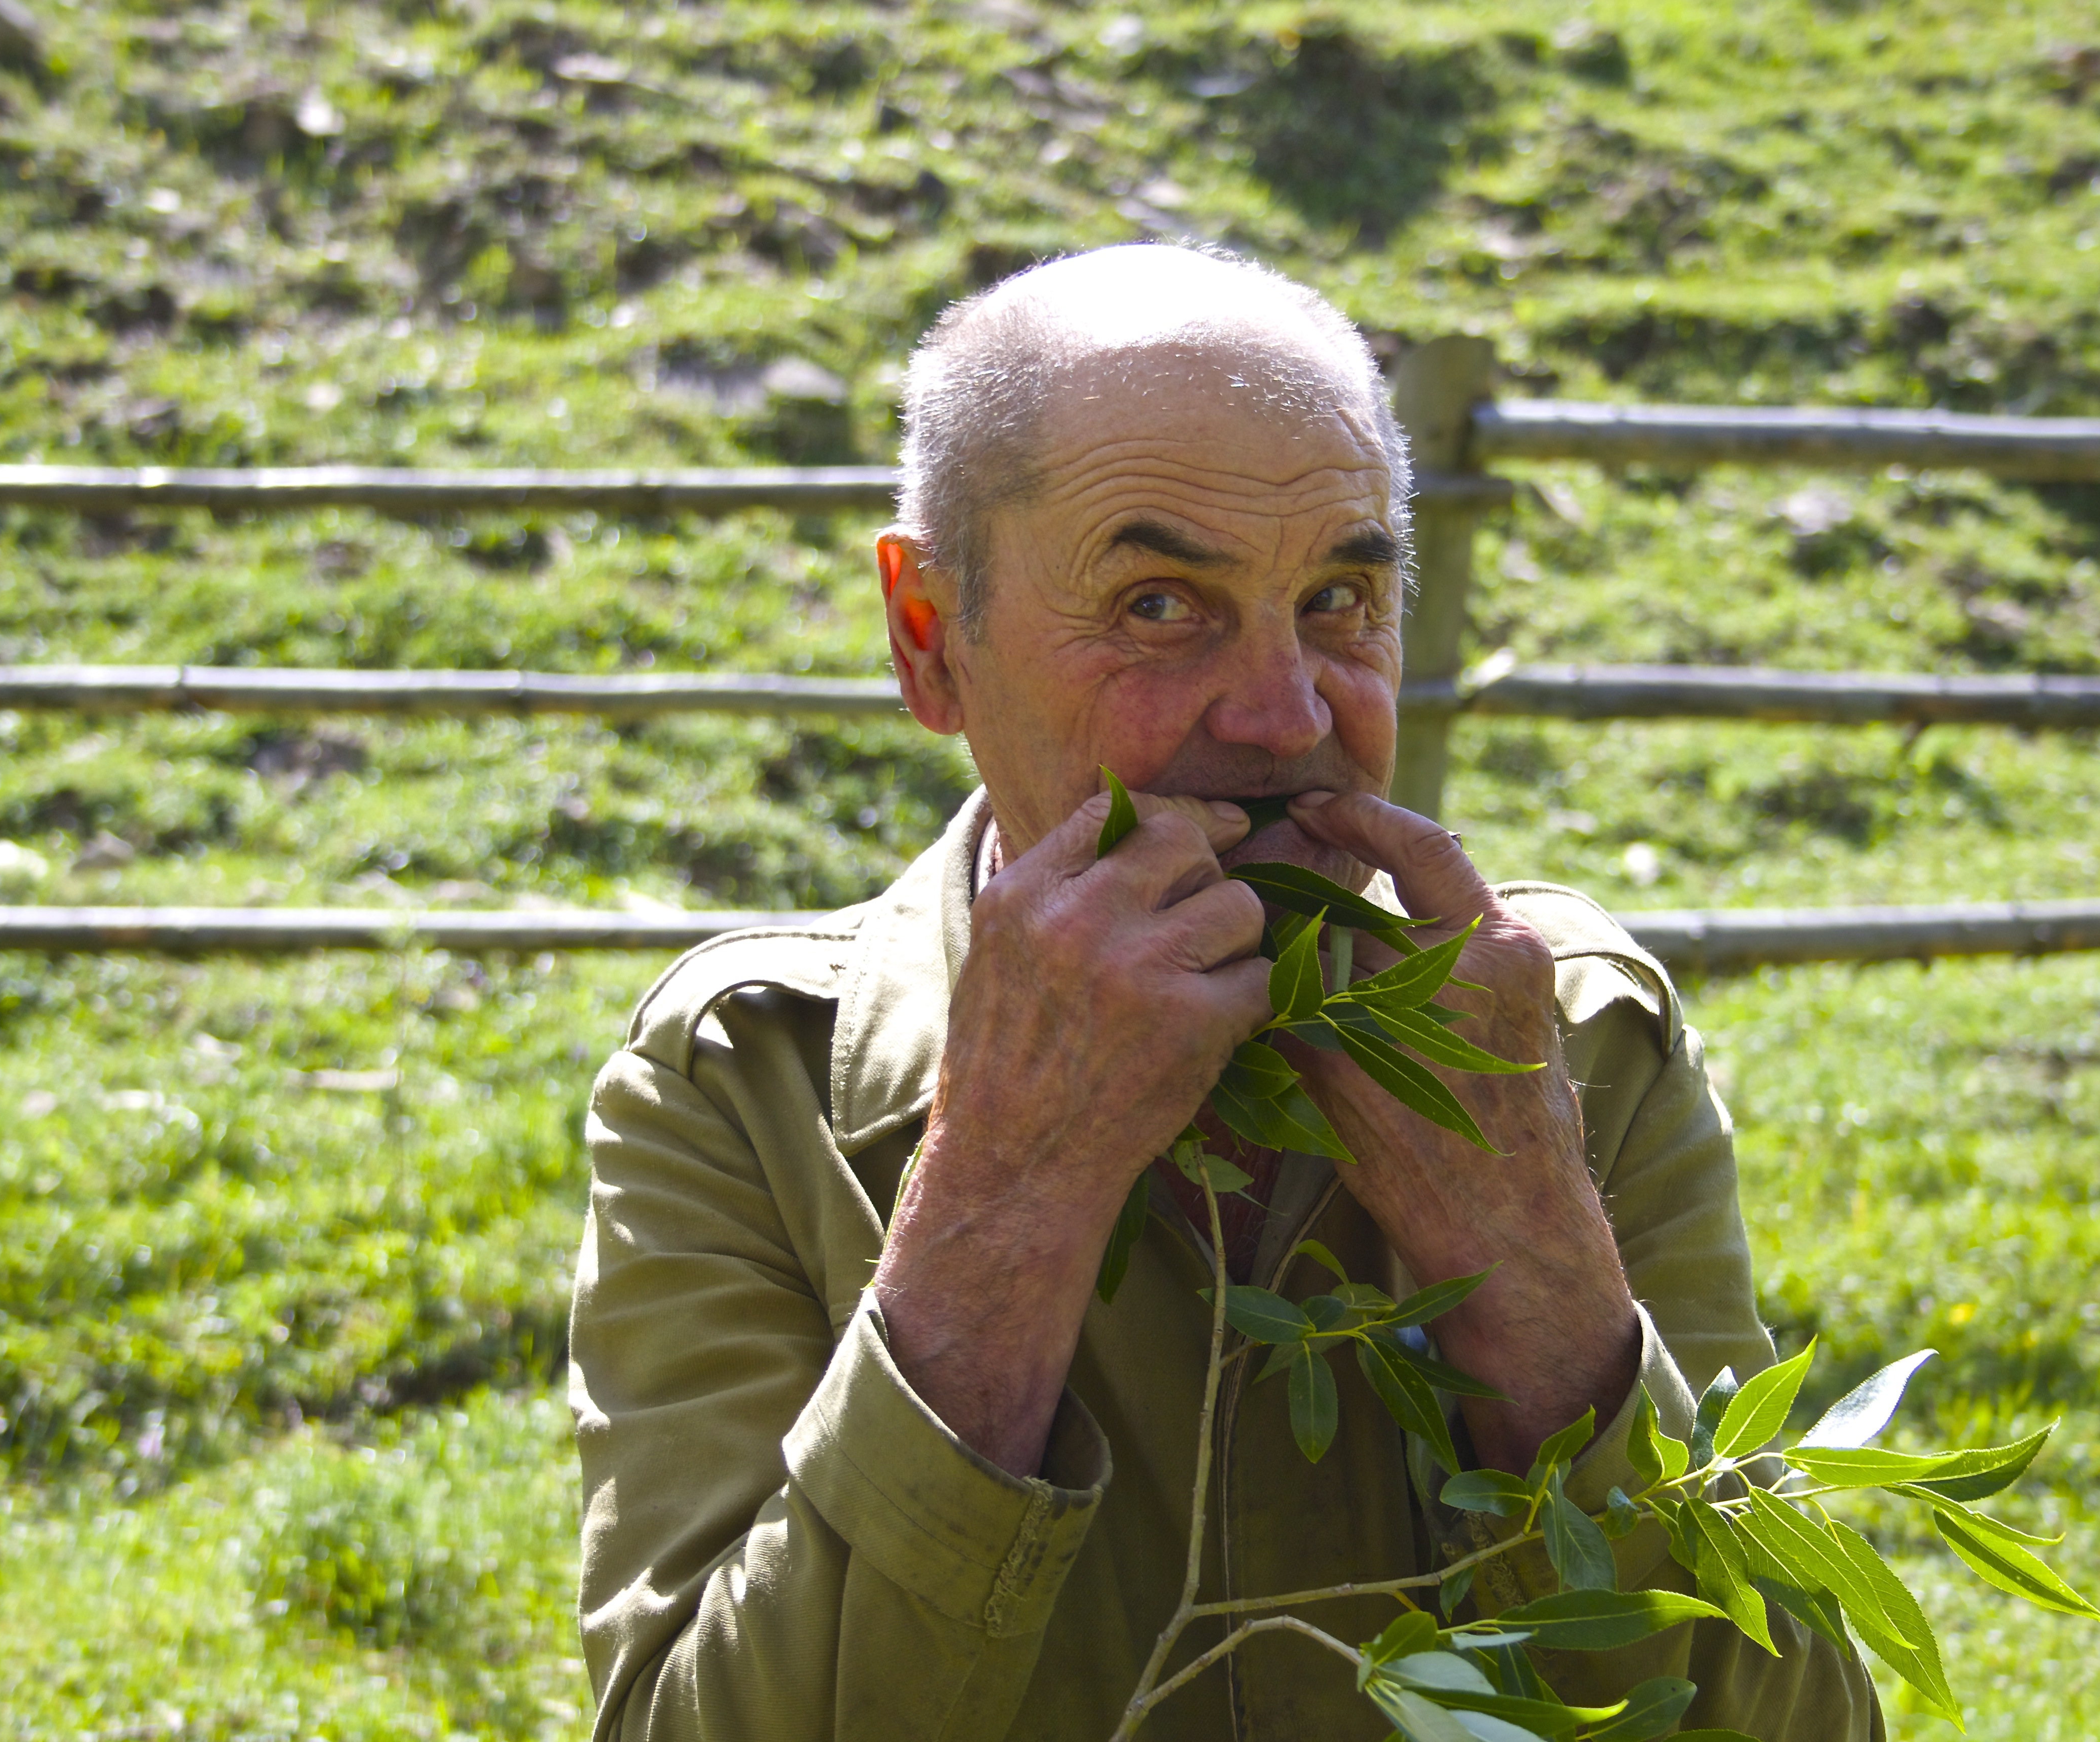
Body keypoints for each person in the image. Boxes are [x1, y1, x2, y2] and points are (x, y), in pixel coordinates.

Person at [569, 244, 1879, 1741]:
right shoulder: (750, 1087)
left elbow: (1790, 1721)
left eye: (1339, 599)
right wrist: (1003, 1192)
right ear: (930, 640)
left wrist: (1528, 1253)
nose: (1283, 713)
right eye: (1157, 605)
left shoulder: (1565, 1045)